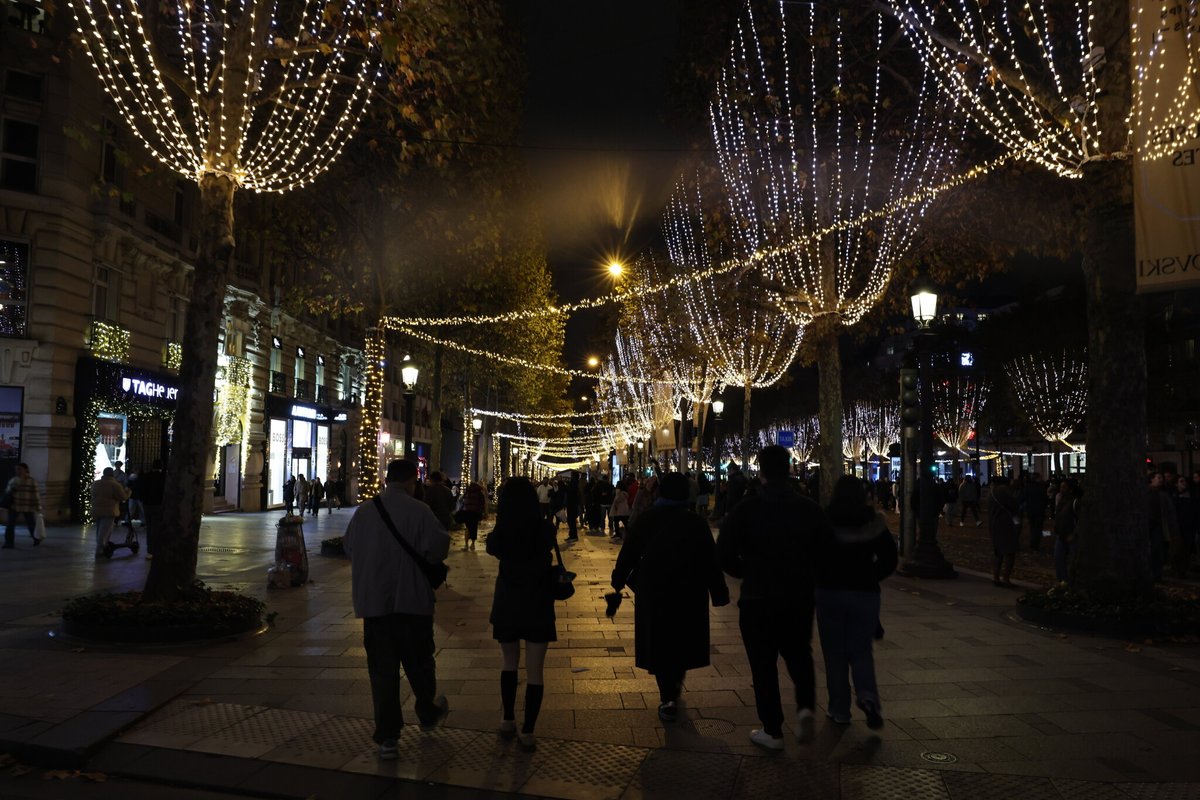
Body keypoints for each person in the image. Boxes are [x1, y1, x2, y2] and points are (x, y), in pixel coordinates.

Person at [718, 445, 831, 750]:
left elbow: (724, 552)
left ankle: (772, 730)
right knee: (799, 654)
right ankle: (805, 707)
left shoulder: (747, 509)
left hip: (758, 597)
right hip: (797, 596)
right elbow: (827, 553)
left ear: (762, 472)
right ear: (790, 469)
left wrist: (747, 572)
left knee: (763, 664)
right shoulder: (809, 508)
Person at [343, 459, 451, 759]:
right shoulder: (420, 511)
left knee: (382, 672)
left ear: (387, 480)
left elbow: (349, 547)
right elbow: (438, 548)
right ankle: (426, 712)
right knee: (420, 662)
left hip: (375, 605)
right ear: (410, 481)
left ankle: (388, 737)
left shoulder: (364, 511)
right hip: (412, 602)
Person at [611, 472, 729, 724]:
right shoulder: (695, 522)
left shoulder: (648, 518)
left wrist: (618, 580)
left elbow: (629, 552)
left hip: (655, 591)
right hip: (689, 591)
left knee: (659, 640)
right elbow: (710, 560)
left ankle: (668, 695)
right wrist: (719, 592)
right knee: (682, 639)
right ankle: (674, 684)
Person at [815, 475, 898, 731]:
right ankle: (868, 696)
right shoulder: (873, 521)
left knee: (834, 653)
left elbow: (811, 555)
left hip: (830, 592)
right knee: (861, 650)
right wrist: (872, 576)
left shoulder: (824, 520)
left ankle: (839, 709)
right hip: (865, 593)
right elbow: (890, 558)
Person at [485, 477, 557, 752]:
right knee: (536, 670)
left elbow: (492, 547)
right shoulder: (545, 530)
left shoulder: (501, 533)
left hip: (508, 602)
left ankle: (507, 719)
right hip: (538, 602)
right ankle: (528, 731)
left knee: (509, 662)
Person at [90, 467, 130, 558]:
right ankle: (100, 550)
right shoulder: (115, 485)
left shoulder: (96, 483)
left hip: (97, 510)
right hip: (109, 510)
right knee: (105, 532)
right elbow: (122, 497)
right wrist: (128, 492)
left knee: (99, 530)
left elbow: (92, 493)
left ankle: (102, 547)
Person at [988, 477, 1021, 587]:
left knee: (998, 553)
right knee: (1010, 552)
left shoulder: (991, 493)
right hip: (1006, 524)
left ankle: (996, 576)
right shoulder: (1004, 491)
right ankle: (1006, 578)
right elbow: (1014, 506)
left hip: (994, 524)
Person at [4, 463, 42, 549]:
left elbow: (36, 495)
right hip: (14, 506)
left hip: (27, 506)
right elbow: (8, 493)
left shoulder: (32, 481)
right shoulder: (13, 480)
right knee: (10, 525)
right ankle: (9, 543)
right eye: (16, 469)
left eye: (20, 469)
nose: (18, 471)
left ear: (26, 470)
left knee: (31, 524)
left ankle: (36, 539)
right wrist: (12, 489)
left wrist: (38, 507)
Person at [137, 460, 166, 559]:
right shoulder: (164, 477)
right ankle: (159, 549)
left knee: (150, 528)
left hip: (148, 504)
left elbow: (140, 490)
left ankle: (150, 550)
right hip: (160, 504)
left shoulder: (146, 477)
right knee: (159, 527)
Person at [1053, 480, 1080, 581]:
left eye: (1064, 487)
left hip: (1071, 536)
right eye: (1061, 487)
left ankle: (1072, 581)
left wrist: (1074, 534)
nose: (1061, 489)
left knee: (1073, 561)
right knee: (1058, 559)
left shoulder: (1075, 502)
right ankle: (1063, 581)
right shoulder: (1061, 501)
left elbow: (1080, 520)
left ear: (1070, 489)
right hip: (1061, 535)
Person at [459, 480, 486, 551]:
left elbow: (461, 500)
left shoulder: (467, 492)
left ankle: (466, 545)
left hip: (466, 512)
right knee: (474, 528)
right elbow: (482, 503)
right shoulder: (480, 493)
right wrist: (482, 512)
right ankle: (473, 545)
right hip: (475, 512)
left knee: (467, 528)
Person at [1024, 472, 1048, 551]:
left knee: (1032, 527)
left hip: (1031, 510)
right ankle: (1036, 544)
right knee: (1038, 528)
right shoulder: (1041, 487)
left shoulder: (1028, 486)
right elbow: (1045, 499)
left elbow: (1025, 497)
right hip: (1039, 510)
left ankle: (1032, 543)